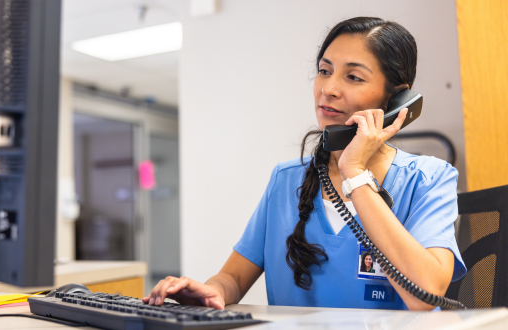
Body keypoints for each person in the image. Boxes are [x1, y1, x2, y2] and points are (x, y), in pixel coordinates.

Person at [142, 17, 466, 311]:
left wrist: (355, 171)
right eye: (324, 71)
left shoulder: (429, 179)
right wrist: (211, 290)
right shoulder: (285, 180)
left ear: (395, 100)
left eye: (353, 77)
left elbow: (425, 295)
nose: (328, 88)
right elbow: (233, 279)